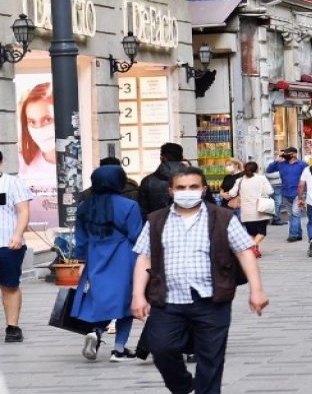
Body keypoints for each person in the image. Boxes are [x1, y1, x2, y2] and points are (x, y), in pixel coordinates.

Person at [131, 167, 268, 393]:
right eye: (181, 188)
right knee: (161, 347)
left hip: (211, 299)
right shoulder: (156, 220)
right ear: (171, 191)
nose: (187, 192)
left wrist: (257, 290)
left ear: (203, 189)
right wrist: (138, 296)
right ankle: (183, 385)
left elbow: (245, 251)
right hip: (168, 299)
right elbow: (144, 257)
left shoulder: (222, 218)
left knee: (210, 357)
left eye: (193, 187)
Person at [73, 165, 144, 361]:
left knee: (101, 300)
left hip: (95, 256)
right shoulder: (129, 206)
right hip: (124, 256)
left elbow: (80, 239)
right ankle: (118, 349)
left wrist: (80, 261)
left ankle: (95, 332)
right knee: (126, 304)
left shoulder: (84, 208)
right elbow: (137, 236)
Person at [0, 151, 31, 343]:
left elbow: (23, 210)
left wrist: (18, 234)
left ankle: (12, 327)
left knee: (9, 286)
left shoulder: (13, 183)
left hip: (7, 244)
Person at [227, 162, 274, 258]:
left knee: (252, 233)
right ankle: (251, 247)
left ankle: (255, 252)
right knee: (261, 233)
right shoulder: (261, 178)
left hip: (246, 211)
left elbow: (232, 193)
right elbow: (270, 191)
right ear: (257, 169)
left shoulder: (240, 180)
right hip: (260, 209)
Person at [266, 147, 308, 241]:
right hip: (285, 192)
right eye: (284, 153)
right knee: (291, 215)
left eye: (287, 153)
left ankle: (293, 235)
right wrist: (276, 160)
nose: (285, 155)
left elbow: (309, 177)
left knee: (295, 213)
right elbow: (269, 170)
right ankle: (299, 234)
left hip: (299, 193)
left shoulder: (302, 164)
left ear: (294, 154)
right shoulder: (281, 164)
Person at [138, 143, 186, 216]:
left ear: (162, 158)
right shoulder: (196, 179)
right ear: (182, 158)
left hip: (157, 225)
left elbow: (143, 213)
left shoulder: (148, 181)